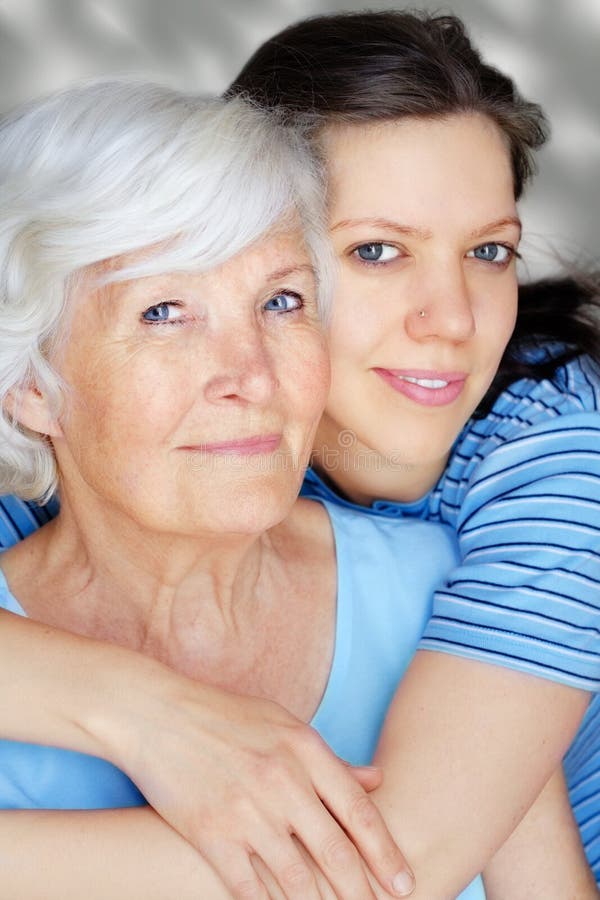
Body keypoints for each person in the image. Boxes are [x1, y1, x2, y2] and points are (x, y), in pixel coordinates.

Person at [1, 9, 600, 898]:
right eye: (377, 251)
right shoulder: (66, 463)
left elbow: (409, 859)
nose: (454, 320)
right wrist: (160, 720)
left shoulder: (534, 469)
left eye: (489, 252)